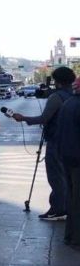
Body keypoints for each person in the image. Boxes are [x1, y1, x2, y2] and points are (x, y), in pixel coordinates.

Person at [12, 66, 76, 221]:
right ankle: (67, 207)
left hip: (56, 142)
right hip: (71, 142)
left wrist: (24, 118)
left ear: (57, 81)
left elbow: (43, 119)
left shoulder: (56, 97)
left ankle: (57, 209)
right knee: (67, 177)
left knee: (55, 177)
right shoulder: (73, 95)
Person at [56, 77, 80, 246]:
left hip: (67, 156)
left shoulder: (68, 103)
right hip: (77, 158)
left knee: (73, 198)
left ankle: (70, 235)